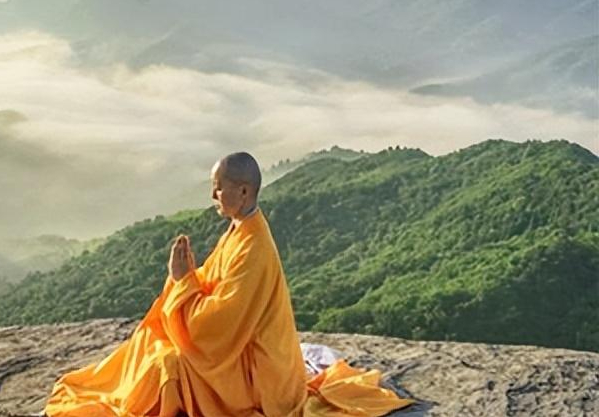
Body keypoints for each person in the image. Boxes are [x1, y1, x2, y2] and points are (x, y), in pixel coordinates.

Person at [44, 152, 413, 417]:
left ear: (243, 192)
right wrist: (186, 280)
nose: (212, 197)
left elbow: (215, 328)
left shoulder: (254, 248)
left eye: (218, 189)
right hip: (231, 349)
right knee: (152, 338)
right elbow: (213, 285)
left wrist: (181, 282)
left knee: (168, 364)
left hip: (257, 374)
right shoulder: (240, 229)